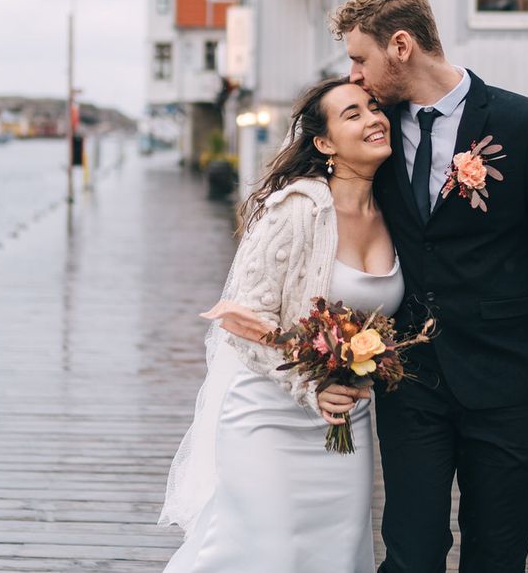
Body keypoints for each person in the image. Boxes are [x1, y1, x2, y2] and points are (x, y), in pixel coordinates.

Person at [323, 0, 528, 573]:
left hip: (509, 382)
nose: (354, 74)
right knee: (412, 554)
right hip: (409, 380)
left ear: (400, 46)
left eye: (360, 58)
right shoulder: (371, 135)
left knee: (497, 556)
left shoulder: (527, 125)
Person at [158, 76, 403, 572]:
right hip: (269, 418)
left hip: (346, 425)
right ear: (324, 143)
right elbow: (243, 321)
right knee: (266, 553)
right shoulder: (297, 209)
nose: (374, 118)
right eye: (352, 114)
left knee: (335, 553)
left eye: (373, 107)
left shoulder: (398, 212)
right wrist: (310, 386)